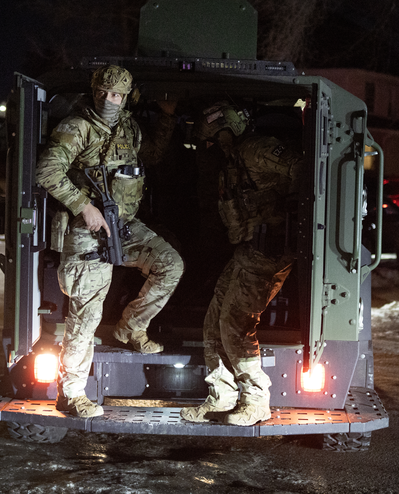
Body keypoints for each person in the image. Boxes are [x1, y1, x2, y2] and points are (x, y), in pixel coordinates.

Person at [36, 64, 184, 418]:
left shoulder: (128, 128)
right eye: (103, 92)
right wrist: (83, 206)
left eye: (116, 95)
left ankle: (131, 328)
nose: (108, 100)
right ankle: (70, 394)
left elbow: (151, 157)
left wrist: (166, 118)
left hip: (123, 226)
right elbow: (46, 170)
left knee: (170, 264)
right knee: (85, 319)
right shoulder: (78, 127)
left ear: (126, 96)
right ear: (94, 90)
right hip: (86, 233)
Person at [180, 102, 302, 426]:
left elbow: (301, 167)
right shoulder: (233, 160)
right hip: (249, 250)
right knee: (214, 321)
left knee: (235, 323)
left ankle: (256, 400)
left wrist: (290, 212)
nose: (218, 144)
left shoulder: (255, 149)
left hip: (269, 251)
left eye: (220, 136)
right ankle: (222, 397)